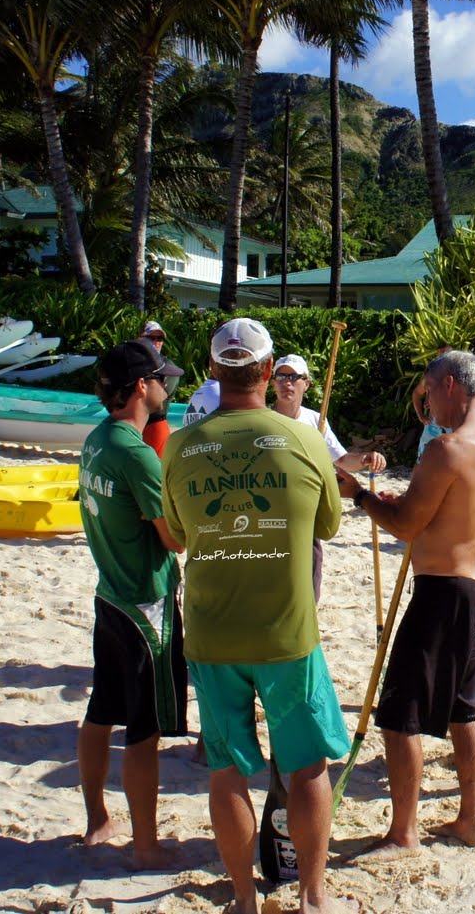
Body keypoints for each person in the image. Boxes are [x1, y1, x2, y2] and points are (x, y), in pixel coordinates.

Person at [161, 318, 352, 913]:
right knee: (306, 766)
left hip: (213, 633)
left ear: (215, 373)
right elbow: (328, 526)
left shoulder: (182, 446)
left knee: (227, 771)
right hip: (287, 632)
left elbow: (180, 534)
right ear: (269, 373)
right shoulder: (304, 439)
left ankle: (244, 899)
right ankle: (313, 897)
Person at [336, 350, 475, 854]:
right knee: (462, 710)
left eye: (428, 389)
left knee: (399, 714)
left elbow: (408, 526)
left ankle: (404, 831)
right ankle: (469, 819)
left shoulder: (447, 448)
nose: (425, 400)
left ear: (450, 384)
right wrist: (395, 506)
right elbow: (438, 512)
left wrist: (361, 498)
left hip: (441, 592)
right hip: (474, 585)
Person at [76, 339, 187, 869]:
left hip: (108, 594)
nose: (168, 388)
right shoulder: (135, 451)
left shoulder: (97, 439)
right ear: (142, 386)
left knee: (100, 712)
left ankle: (98, 819)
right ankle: (146, 844)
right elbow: (174, 539)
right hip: (146, 604)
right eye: (163, 379)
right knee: (144, 731)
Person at [271, 352, 387, 601]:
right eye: (280, 376)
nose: (286, 382)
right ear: (272, 382)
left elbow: (343, 461)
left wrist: (366, 458)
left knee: (308, 592)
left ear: (306, 383)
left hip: (307, 515)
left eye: (293, 377)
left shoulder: (316, 420)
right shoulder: (262, 418)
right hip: (270, 516)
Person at [136, 321, 173, 457]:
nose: (157, 342)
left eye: (160, 338)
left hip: (154, 425)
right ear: (140, 338)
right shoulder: (131, 361)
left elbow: (159, 401)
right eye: (152, 338)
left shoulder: (168, 366)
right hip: (135, 423)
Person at [412, 344, 454, 457]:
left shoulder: (460, 378)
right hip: (433, 427)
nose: (443, 356)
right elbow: (416, 393)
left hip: (453, 428)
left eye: (446, 353)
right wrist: (421, 416)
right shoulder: (431, 377)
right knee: (424, 460)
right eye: (441, 353)